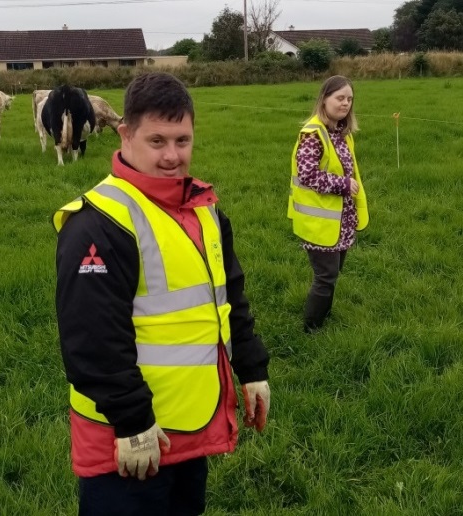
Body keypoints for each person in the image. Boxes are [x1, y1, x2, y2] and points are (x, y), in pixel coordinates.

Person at [54, 72, 271, 516]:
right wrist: (133, 423)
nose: (173, 156)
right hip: (126, 441)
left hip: (190, 427)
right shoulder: (97, 223)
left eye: (182, 140)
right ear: (125, 135)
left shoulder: (205, 211)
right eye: (157, 141)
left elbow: (231, 299)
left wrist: (251, 367)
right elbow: (91, 341)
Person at [287, 75, 369, 333]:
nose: (345, 104)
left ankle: (324, 316)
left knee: (332, 274)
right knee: (325, 277)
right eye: (340, 98)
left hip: (339, 219)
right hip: (319, 221)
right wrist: (343, 185)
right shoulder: (313, 134)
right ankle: (311, 329)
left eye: (349, 99)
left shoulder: (341, 134)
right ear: (324, 99)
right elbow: (307, 175)